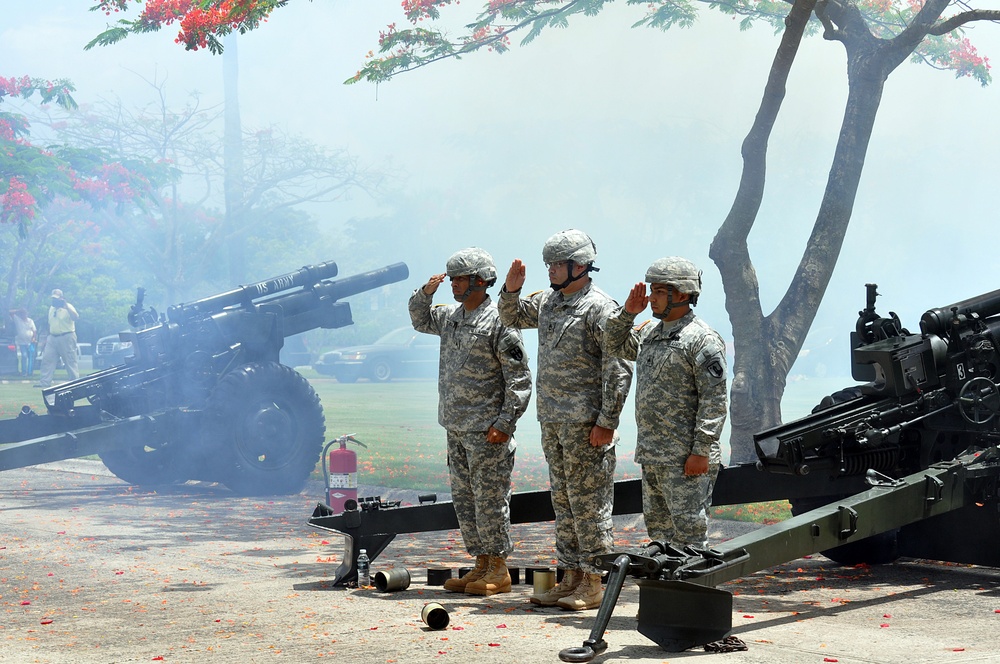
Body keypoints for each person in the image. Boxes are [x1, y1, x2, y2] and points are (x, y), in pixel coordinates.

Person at [498, 229, 633, 611]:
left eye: (558, 264)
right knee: (565, 502)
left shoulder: (600, 308)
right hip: (554, 420)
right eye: (550, 264)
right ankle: (571, 575)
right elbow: (509, 316)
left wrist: (607, 420)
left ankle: (593, 581)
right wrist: (510, 290)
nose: (552, 271)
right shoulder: (549, 302)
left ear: (580, 266)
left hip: (586, 423)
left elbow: (618, 367)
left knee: (589, 504)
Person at [409, 247, 532, 597]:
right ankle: (480, 563)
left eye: (460, 278)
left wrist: (505, 423)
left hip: (487, 430)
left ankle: (498, 568)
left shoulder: (499, 321)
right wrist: (426, 292)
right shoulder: (451, 317)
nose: (453, 284)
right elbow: (419, 318)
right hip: (457, 427)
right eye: (452, 278)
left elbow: (520, 379)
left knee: (490, 500)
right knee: (466, 501)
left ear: (481, 280)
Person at [604, 257, 728, 550]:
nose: (651, 298)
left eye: (660, 291)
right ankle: (667, 590)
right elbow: (612, 343)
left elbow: (714, 401)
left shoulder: (702, 339)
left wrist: (700, 451)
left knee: (689, 535)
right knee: (660, 536)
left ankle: (692, 594)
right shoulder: (650, 333)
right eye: (652, 290)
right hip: (654, 453)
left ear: (682, 294)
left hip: (685, 456)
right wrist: (627, 314)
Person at [35, 288, 80, 388]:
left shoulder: (68, 307)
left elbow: (76, 318)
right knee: (47, 360)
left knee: (70, 360)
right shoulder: (51, 308)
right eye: (53, 298)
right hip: (52, 337)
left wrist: (66, 307)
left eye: (56, 298)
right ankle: (44, 382)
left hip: (66, 336)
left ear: (61, 298)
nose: (54, 300)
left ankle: (75, 382)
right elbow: (50, 323)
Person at [9, 308, 37, 377]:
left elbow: (34, 331)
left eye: (24, 314)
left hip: (30, 342)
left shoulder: (30, 321)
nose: (23, 315)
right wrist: (18, 310)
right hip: (22, 342)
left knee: (31, 357)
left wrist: (33, 338)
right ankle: (24, 372)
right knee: (24, 356)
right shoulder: (18, 320)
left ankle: (30, 372)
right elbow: (10, 313)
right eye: (22, 314)